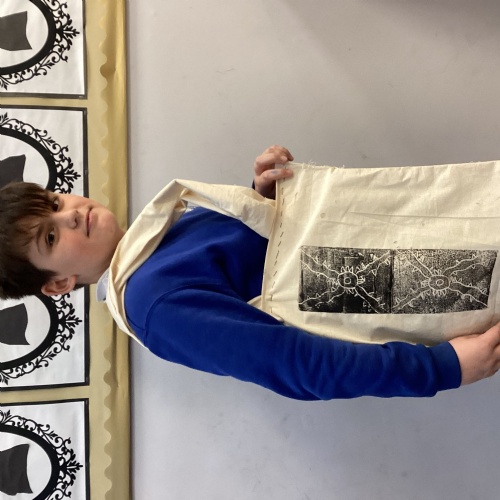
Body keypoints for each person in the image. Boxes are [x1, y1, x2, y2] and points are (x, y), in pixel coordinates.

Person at [1, 145, 500, 400]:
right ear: (59, 283)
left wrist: (262, 198)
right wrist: (441, 368)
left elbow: (260, 267)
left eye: (54, 202)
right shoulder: (153, 304)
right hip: (397, 277)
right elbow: (294, 362)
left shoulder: (153, 242)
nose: (70, 216)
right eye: (50, 237)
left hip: (391, 259)